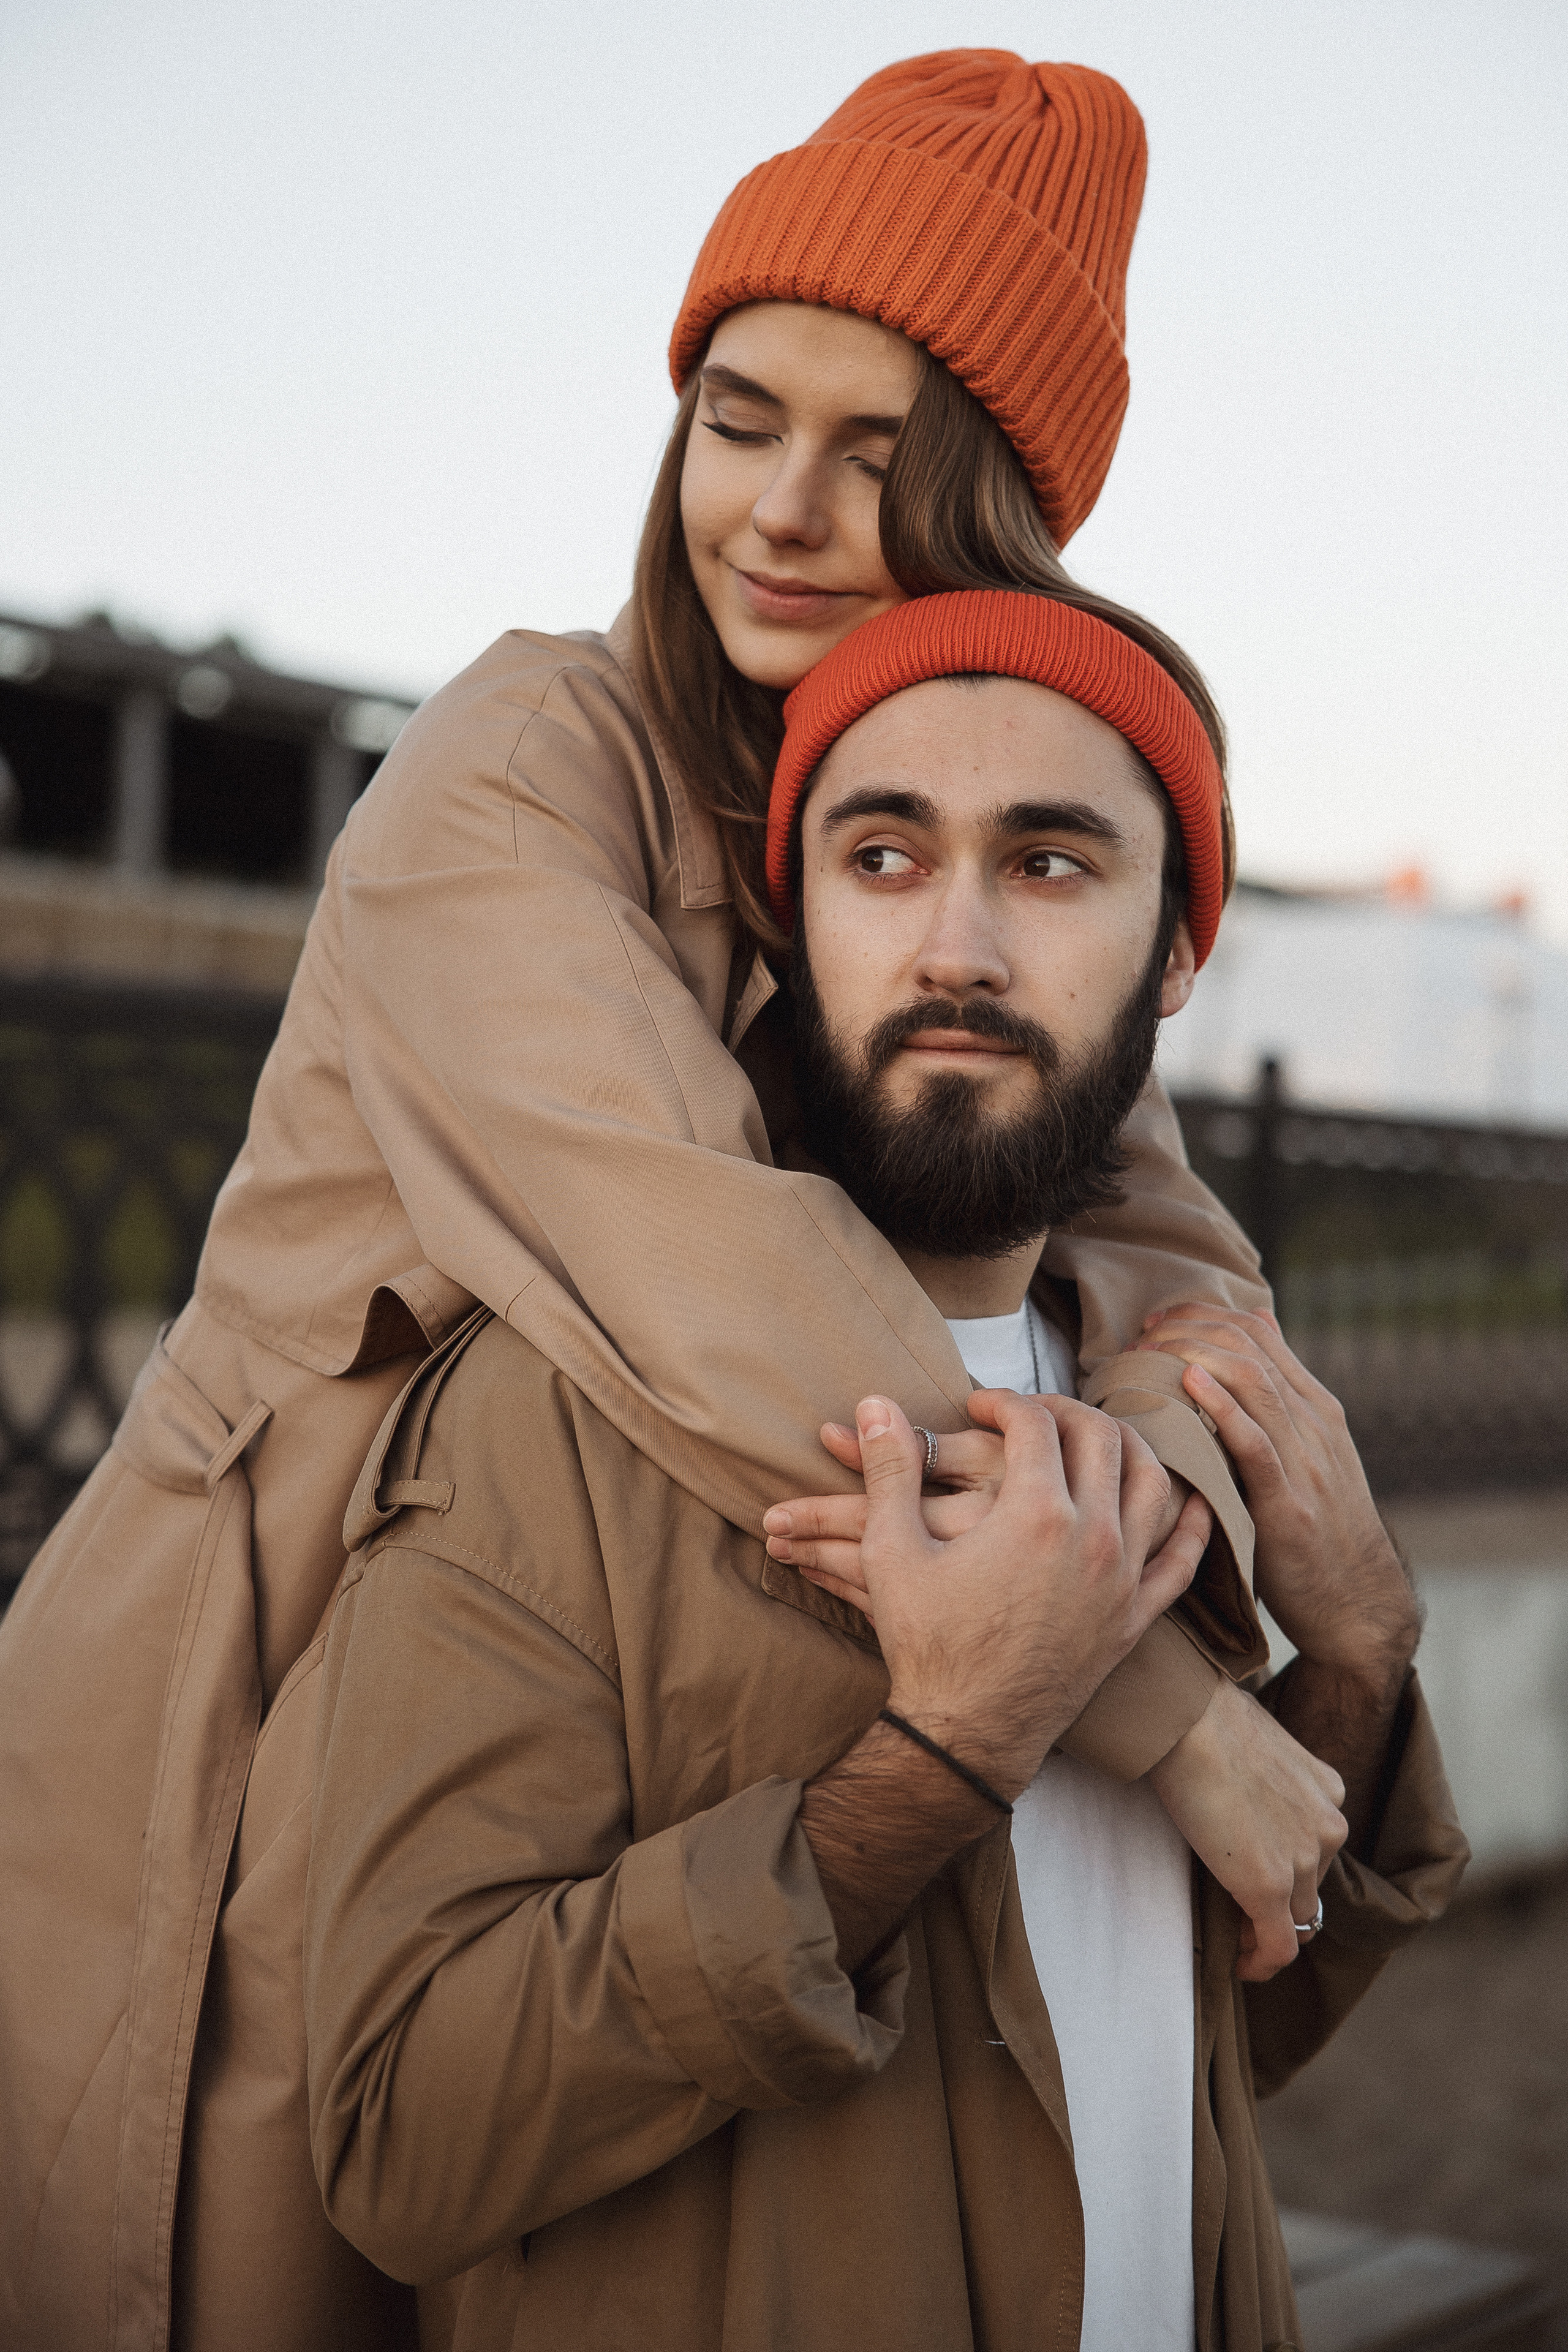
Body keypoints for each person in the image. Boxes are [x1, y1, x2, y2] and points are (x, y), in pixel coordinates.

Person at [1, 51, 1325, 2352]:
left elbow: (1185, 1280)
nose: (783, 510)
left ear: (1003, 505)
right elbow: (704, 1268)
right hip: (288, 1675)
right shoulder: (526, 758)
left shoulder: (928, 827)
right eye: (738, 413)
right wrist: (1167, 1702)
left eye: (882, 449)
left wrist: (1202, 1498)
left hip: (667, 1702)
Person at [303, 590, 1466, 2351]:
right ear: (798, 924)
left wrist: (1364, 1653)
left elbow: (1207, 2035)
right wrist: (946, 1756)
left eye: (1055, 863)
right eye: (884, 857)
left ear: (1174, 954)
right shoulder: (549, 1424)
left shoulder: (1182, 1419)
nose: (960, 950)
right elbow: (403, 2139)